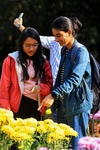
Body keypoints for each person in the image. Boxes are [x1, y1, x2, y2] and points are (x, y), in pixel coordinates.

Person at [39, 16, 93, 150]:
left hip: (77, 106)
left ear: (69, 32)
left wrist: (53, 95)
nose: (56, 40)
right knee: (64, 145)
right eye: (54, 36)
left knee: (77, 145)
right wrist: (55, 99)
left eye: (59, 36)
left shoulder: (81, 51)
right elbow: (60, 77)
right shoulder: (64, 49)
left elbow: (75, 79)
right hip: (64, 105)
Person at [0, 27, 53, 121]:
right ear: (21, 44)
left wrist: (41, 87)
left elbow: (50, 83)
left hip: (37, 105)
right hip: (17, 105)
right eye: (27, 45)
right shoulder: (11, 60)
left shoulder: (43, 62)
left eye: (34, 45)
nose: (31, 49)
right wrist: (6, 109)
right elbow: (4, 86)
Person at [13, 16, 61, 86]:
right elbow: (34, 38)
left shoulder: (78, 51)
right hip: (53, 87)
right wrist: (20, 26)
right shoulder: (55, 42)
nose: (57, 38)